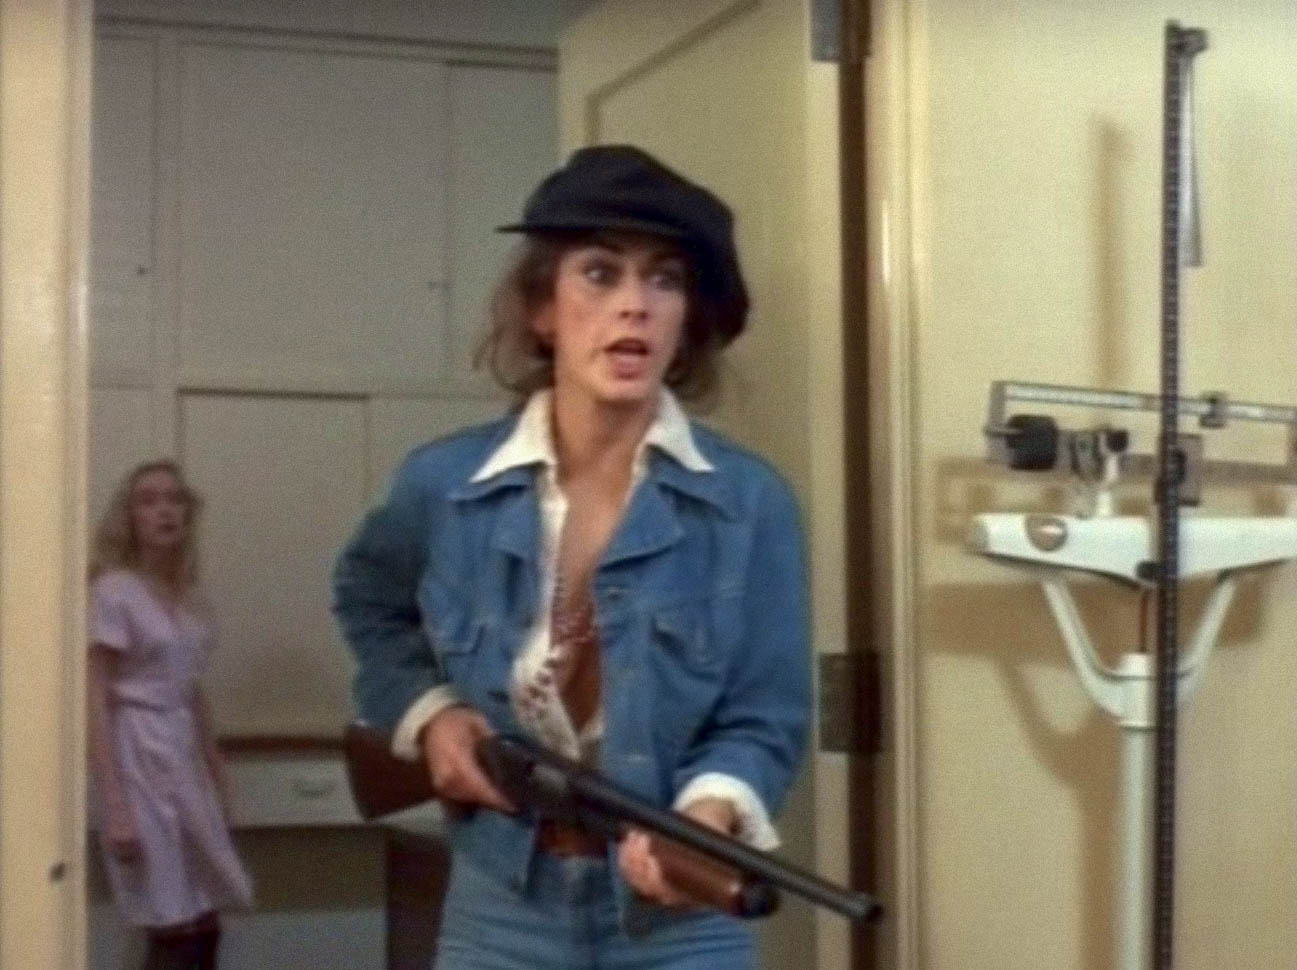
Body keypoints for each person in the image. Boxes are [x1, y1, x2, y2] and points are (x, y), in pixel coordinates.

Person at [333, 145, 811, 969]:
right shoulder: (444, 484)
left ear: (687, 319)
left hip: (677, 923)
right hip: (500, 903)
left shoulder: (748, 502)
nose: (634, 305)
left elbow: (765, 712)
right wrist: (431, 713)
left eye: (664, 280)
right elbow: (368, 603)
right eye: (599, 273)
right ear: (541, 309)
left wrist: (707, 815)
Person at [87, 460, 253, 970]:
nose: (165, 511)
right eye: (149, 500)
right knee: (168, 917)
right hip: (136, 750)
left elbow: (189, 687)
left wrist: (217, 772)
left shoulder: (191, 598)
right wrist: (115, 803)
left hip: (183, 752)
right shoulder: (113, 591)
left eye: (174, 499)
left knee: (206, 913)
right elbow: (95, 694)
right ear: (130, 516)